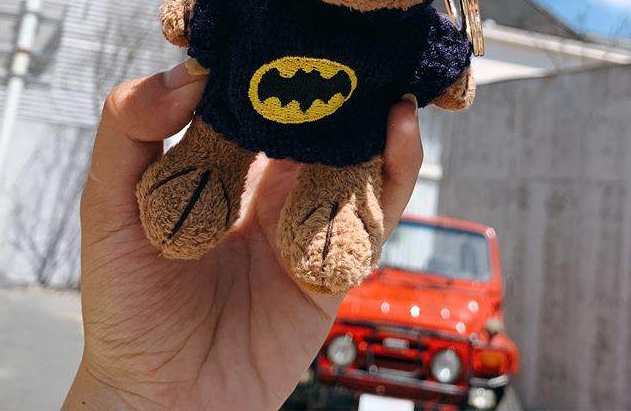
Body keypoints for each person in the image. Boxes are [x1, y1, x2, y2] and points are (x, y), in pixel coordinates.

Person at [63, 59, 423, 410]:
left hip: (346, 133)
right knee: (224, 125)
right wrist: (129, 389)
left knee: (348, 147)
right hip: (234, 102)